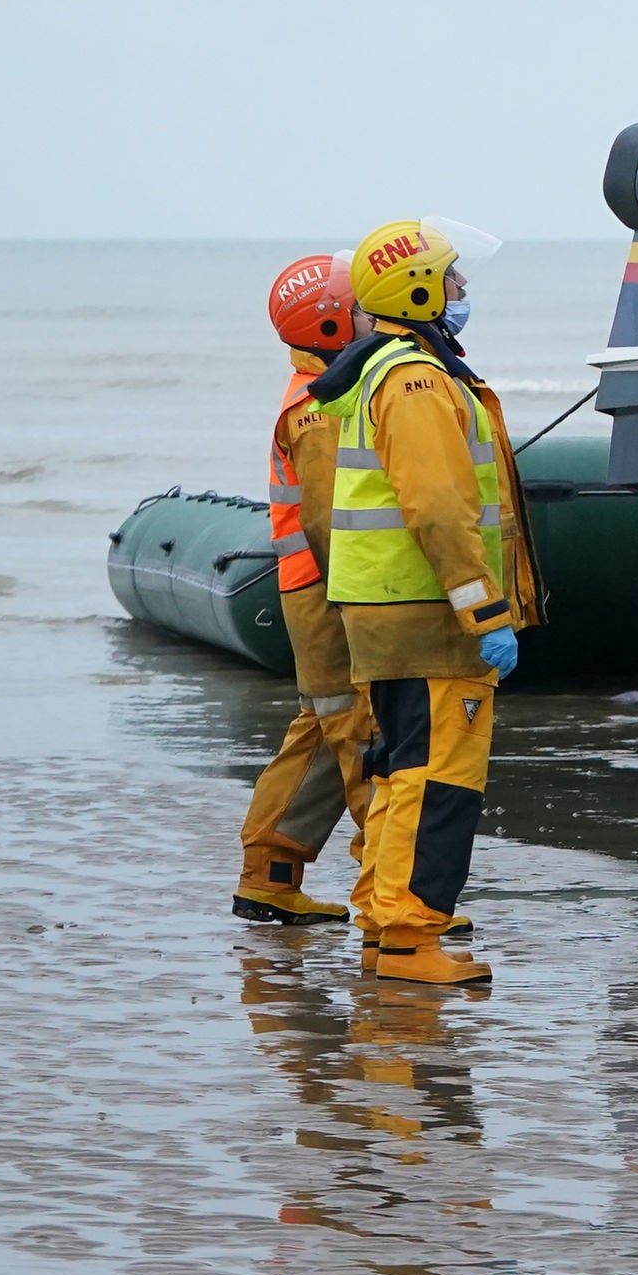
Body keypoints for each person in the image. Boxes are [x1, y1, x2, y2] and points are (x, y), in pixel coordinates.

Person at [313, 221, 538, 988]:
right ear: (416, 291)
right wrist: (484, 610)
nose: (462, 291)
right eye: (451, 279)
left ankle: (385, 925)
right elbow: (439, 508)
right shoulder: (415, 381)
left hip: (391, 611)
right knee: (438, 777)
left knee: (401, 769)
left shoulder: (387, 371)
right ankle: (410, 940)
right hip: (426, 614)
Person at [229, 255, 371, 926]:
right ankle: (391, 890)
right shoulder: (320, 412)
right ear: (333, 323)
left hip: (311, 588)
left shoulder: (320, 394)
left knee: (320, 731)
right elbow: (330, 521)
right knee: (362, 730)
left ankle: (269, 872)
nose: (376, 319)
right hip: (329, 595)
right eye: (365, 310)